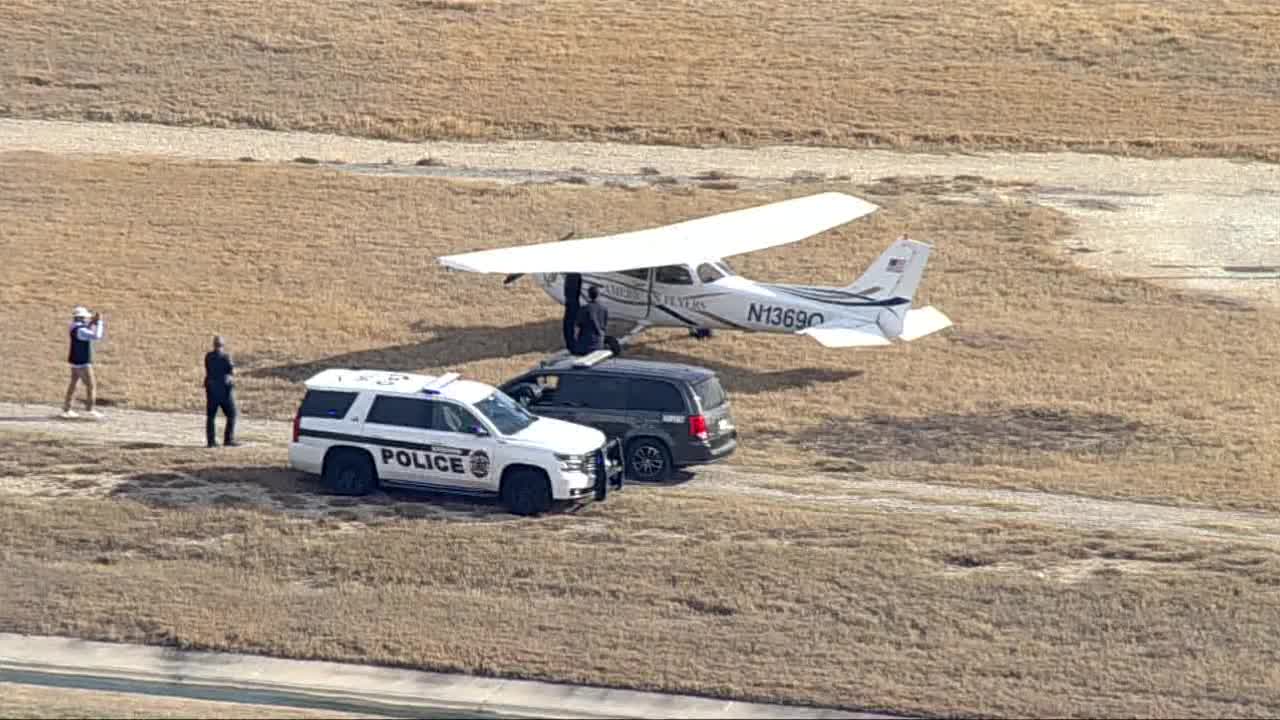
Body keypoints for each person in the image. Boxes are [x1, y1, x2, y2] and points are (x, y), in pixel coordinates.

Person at [62, 306, 105, 419]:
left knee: (74, 384)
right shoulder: (81, 330)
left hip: (75, 361)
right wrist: (99, 323)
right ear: (81, 318)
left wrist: (92, 323)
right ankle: (90, 409)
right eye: (85, 318)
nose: (87, 319)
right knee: (91, 385)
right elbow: (97, 336)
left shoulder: (74, 327)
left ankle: (67, 409)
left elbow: (86, 329)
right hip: (83, 362)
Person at [203, 335, 239, 447]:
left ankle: (211, 441)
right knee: (232, 414)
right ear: (223, 345)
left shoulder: (208, 357)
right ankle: (228, 439)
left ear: (213, 345)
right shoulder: (225, 357)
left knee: (211, 416)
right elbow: (231, 371)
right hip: (224, 391)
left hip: (211, 390)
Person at [574, 286, 609, 355]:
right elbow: (604, 327)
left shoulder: (583, 309)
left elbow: (577, 328)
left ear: (588, 295)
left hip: (585, 345)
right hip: (599, 344)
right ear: (598, 295)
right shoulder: (604, 309)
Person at [561, 272, 583, 353]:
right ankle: (572, 344)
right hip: (573, 303)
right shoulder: (575, 275)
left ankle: (571, 344)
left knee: (569, 324)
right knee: (571, 324)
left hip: (571, 303)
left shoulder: (571, 276)